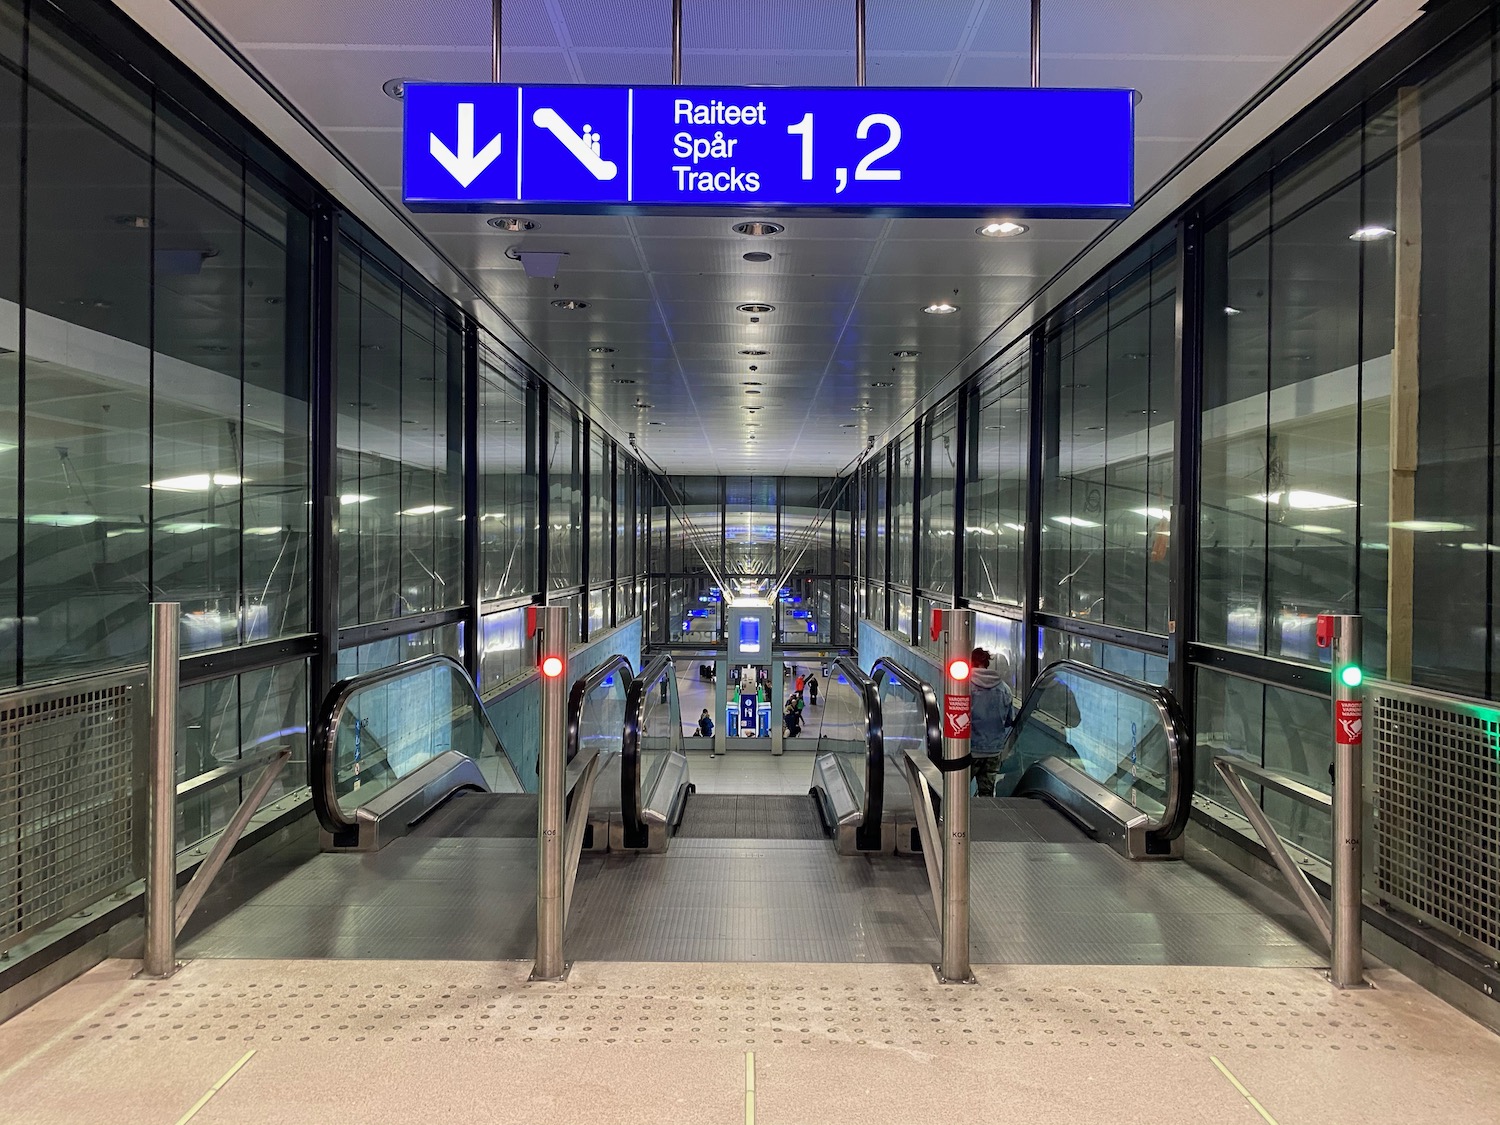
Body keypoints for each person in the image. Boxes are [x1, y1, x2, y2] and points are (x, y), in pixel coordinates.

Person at [969, 647, 1015, 797]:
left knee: (957, 791)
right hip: (994, 751)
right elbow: (1009, 721)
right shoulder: (1005, 689)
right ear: (987, 664)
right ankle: (983, 818)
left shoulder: (964, 686)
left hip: (970, 750)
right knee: (986, 794)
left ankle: (957, 819)